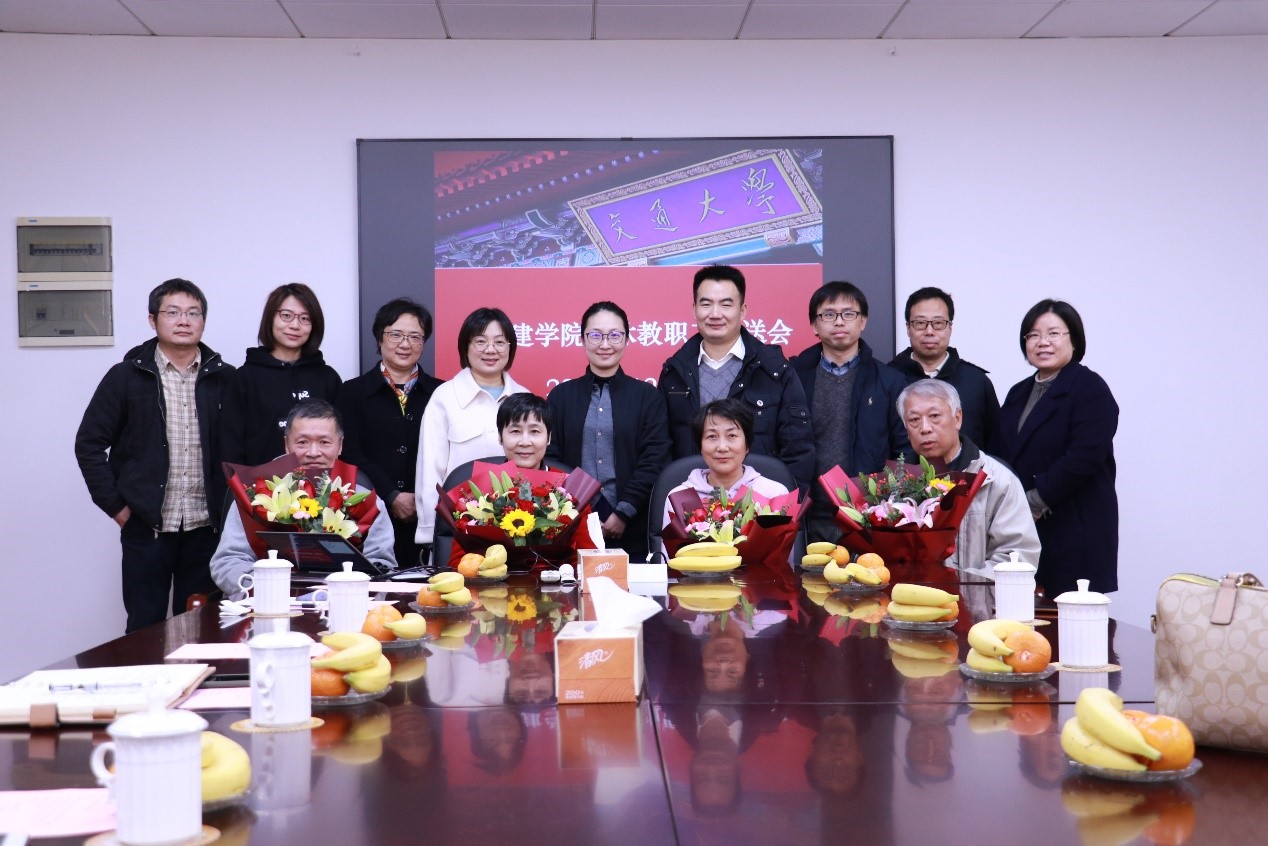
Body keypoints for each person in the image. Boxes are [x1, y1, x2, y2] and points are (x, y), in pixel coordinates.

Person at [75, 278, 235, 632]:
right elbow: (88, 443)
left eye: (193, 313)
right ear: (153, 320)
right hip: (147, 528)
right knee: (144, 629)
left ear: (203, 321)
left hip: (206, 529)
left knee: (201, 629)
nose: (184, 321)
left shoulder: (225, 379)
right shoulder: (126, 377)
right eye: (173, 312)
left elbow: (241, 448)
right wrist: (118, 509)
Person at [994, 299, 1119, 596]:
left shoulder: (1090, 388)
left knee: (1073, 615)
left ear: (1074, 339)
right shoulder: (1018, 392)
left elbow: (1084, 456)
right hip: (1023, 528)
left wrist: (1035, 501)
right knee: (1020, 615)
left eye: (1054, 333)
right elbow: (1000, 452)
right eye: (1034, 335)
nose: (1043, 342)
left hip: (1074, 526)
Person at [210, 399, 396, 595]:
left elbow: (382, 564)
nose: (313, 453)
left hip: (343, 599)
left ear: (340, 445)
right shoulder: (257, 492)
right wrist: (271, 587)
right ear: (286, 445)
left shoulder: (361, 495)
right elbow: (227, 562)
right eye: (302, 442)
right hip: (267, 600)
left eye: (324, 442)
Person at [658, 265, 814, 492]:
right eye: (706, 304)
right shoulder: (674, 373)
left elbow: (798, 448)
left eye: (726, 304)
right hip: (692, 504)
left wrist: (786, 507)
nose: (715, 314)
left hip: (759, 505)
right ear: (694, 310)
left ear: (742, 310)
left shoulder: (774, 370)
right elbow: (661, 449)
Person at [547, 301, 671, 560]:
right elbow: (551, 459)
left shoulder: (647, 397)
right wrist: (578, 510)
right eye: (595, 335)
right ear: (582, 339)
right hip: (570, 525)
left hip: (632, 527)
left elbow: (654, 459)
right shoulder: (560, 396)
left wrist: (624, 512)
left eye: (615, 335)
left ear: (626, 339)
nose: (605, 344)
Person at [790, 281, 910, 541]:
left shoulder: (889, 381)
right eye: (828, 314)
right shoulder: (793, 377)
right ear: (814, 325)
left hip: (871, 512)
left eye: (848, 314)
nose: (839, 321)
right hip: (810, 512)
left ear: (863, 321)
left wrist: (887, 501)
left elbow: (903, 449)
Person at [336, 298, 442, 569]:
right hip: (369, 512)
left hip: (428, 516)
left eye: (415, 337)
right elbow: (349, 452)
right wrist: (391, 494)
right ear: (379, 337)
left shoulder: (441, 393)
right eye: (396, 335)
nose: (405, 344)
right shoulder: (351, 392)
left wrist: (420, 497)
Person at [898, 379, 1039, 578]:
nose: (925, 428)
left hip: (977, 598)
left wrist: (953, 585)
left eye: (935, 416)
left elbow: (1017, 557)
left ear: (958, 418)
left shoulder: (998, 480)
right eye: (914, 420)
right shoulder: (895, 486)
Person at [415, 307, 528, 550]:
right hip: (458, 526)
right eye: (480, 341)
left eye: (499, 342)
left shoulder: (524, 398)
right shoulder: (445, 397)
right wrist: (430, 532)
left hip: (516, 527)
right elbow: (430, 470)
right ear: (465, 347)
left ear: (510, 347)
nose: (491, 349)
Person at [219, 283, 342, 466]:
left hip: (321, 483)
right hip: (259, 483)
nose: (295, 325)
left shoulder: (328, 378)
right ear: (270, 318)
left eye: (305, 318)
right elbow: (230, 447)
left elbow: (341, 440)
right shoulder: (245, 378)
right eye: (286, 316)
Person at [888, 287, 1000, 450]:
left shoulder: (977, 381)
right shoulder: (887, 379)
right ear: (908, 328)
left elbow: (996, 444)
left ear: (950, 327)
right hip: (903, 467)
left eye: (938, 323)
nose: (929, 331)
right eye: (920, 323)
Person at [661, 399, 791, 532]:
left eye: (732, 435)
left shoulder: (774, 494)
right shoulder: (679, 498)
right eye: (712, 436)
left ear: (747, 445)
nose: (722, 447)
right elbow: (668, 546)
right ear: (700, 446)